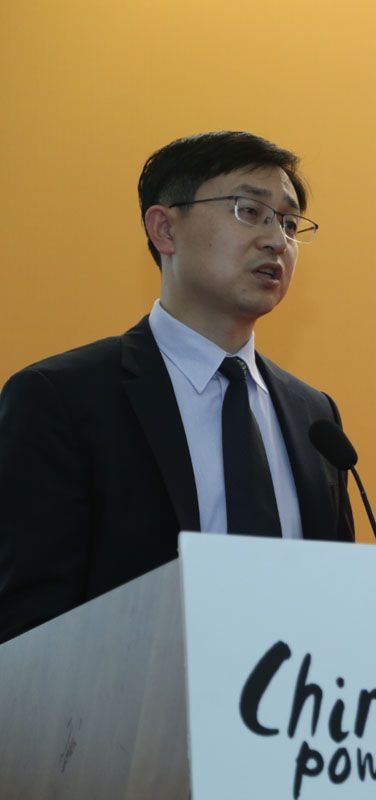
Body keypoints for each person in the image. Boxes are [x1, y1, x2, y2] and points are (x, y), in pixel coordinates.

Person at [0, 131, 354, 645]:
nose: (277, 240)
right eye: (249, 211)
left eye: (288, 222)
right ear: (164, 229)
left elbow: (338, 602)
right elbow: (28, 622)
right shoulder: (61, 400)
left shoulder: (314, 417)